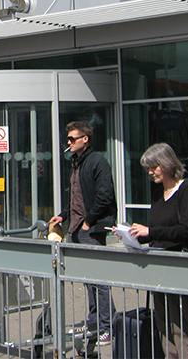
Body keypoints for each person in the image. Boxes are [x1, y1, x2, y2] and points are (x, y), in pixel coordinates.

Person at [125, 143, 188, 359]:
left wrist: (151, 231)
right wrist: (135, 234)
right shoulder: (160, 193)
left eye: (154, 167)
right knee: (164, 323)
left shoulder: (186, 191)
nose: (151, 172)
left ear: (167, 164)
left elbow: (186, 229)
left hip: (180, 264)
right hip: (159, 265)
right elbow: (158, 230)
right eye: (148, 168)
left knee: (184, 324)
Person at [48, 121, 116, 345]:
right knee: (89, 280)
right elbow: (77, 197)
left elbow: (104, 196)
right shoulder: (76, 163)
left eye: (72, 139)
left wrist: (89, 221)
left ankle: (108, 326)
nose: (68, 142)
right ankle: (95, 322)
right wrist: (63, 216)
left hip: (90, 229)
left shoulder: (98, 162)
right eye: (67, 139)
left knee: (99, 279)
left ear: (85, 139)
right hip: (77, 228)